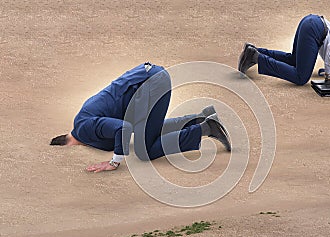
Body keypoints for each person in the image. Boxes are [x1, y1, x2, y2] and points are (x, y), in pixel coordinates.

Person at [50, 62, 231, 173]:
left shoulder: (85, 128)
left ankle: (206, 128)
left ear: (69, 144)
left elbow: (123, 128)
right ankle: (200, 118)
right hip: (149, 79)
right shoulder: (85, 128)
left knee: (145, 151)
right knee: (146, 134)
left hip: (151, 82)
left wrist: (115, 162)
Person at [238, 14, 330, 85]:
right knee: (301, 77)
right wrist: (328, 76)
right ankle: (256, 58)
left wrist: (328, 71)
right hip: (315, 30)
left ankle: (254, 51)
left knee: (294, 61)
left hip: (312, 23)